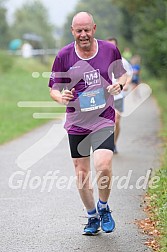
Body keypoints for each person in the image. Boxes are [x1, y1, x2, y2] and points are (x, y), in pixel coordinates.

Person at [48, 12, 127, 235]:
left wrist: (119, 86)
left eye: (87, 30)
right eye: (78, 31)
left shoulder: (109, 50)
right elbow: (53, 88)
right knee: (81, 173)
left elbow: (122, 75)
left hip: (103, 119)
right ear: (72, 31)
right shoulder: (64, 55)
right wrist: (60, 97)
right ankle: (92, 216)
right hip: (77, 123)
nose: (83, 34)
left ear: (94, 28)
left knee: (103, 165)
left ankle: (103, 207)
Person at [107, 38, 132, 153]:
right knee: (106, 122)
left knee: (116, 121)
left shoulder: (122, 61)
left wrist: (124, 85)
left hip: (118, 96)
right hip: (104, 97)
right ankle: (104, 145)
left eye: (113, 46)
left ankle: (114, 144)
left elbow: (129, 75)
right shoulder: (101, 60)